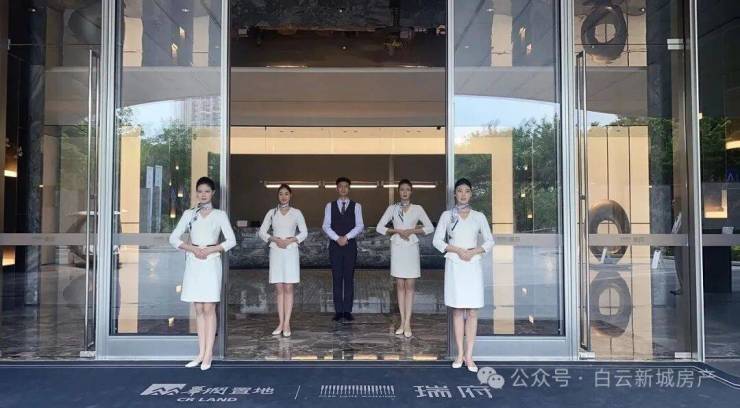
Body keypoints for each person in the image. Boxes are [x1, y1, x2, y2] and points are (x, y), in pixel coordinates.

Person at [169, 176, 236, 371]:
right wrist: (192, 249)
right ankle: (200, 353)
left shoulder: (219, 215)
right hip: (194, 262)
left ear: (212, 193)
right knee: (198, 308)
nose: (203, 195)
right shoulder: (189, 214)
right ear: (196, 193)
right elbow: (173, 238)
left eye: (207, 191)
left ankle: (208, 354)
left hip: (211, 261)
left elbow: (231, 240)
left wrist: (210, 250)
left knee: (209, 307)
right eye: (200, 191)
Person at [432, 178, 494, 373]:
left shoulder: (479, 216)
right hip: (455, 264)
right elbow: (437, 241)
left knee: (473, 311)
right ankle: (459, 353)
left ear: (471, 194)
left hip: (473, 265)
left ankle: (469, 355)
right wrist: (457, 250)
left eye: (467, 191)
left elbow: (489, 241)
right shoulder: (447, 216)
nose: (463, 194)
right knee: (458, 310)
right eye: (460, 191)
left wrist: (473, 251)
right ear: (454, 194)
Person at [375, 179, 434, 338]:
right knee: (400, 285)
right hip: (398, 247)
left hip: (411, 248)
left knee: (410, 285)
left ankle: (408, 322)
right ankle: (402, 321)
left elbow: (429, 227)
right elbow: (379, 227)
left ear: (411, 191)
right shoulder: (392, 208)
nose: (405, 192)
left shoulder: (418, 208)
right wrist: (397, 231)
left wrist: (412, 230)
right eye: (402, 189)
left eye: (407, 189)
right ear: (398, 191)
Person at [258, 184, 308, 337]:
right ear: (277, 196)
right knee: (279, 289)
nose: (284, 196)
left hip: (291, 251)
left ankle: (287, 323)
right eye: (281, 194)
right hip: (276, 251)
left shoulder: (296, 213)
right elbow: (262, 232)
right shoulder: (271, 213)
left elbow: (304, 232)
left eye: (286, 194)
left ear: (290, 195)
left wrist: (291, 240)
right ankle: (280, 323)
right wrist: (275, 239)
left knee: (288, 288)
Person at [322, 177, 364, 322]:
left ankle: (347, 310)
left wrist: (346, 237)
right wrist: (337, 238)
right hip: (335, 246)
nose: (343, 189)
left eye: (346, 186)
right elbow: (326, 226)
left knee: (349, 277)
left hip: (350, 245)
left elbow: (360, 225)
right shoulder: (330, 206)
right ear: (337, 188)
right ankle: (338, 311)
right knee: (337, 277)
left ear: (349, 188)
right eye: (341, 186)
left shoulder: (357, 206)